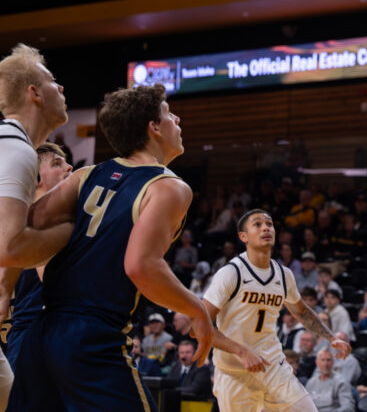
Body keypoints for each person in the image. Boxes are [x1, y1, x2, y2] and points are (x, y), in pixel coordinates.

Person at [7, 84, 215, 412]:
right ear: (154, 127)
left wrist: (6, 287)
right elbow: (141, 266)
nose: (177, 119)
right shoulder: (169, 187)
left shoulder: (87, 174)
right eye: (169, 113)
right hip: (92, 337)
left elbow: (23, 223)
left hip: (41, 333)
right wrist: (197, 309)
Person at [202, 208, 351, 412]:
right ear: (243, 236)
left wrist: (331, 336)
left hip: (274, 368)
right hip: (234, 372)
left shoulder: (283, 274)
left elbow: (301, 311)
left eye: (269, 224)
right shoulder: (230, 273)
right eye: (257, 224)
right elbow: (198, 325)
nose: (266, 228)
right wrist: (241, 351)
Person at [0, 141, 72, 389]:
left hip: (44, 334)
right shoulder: (33, 221)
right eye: (57, 164)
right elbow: (52, 280)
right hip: (34, 336)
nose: (69, 167)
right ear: (36, 178)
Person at [0, 45, 76, 269]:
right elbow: (9, 249)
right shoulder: (16, 148)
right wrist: (71, 229)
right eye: (52, 80)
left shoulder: (9, 142)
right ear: (35, 93)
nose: (61, 87)